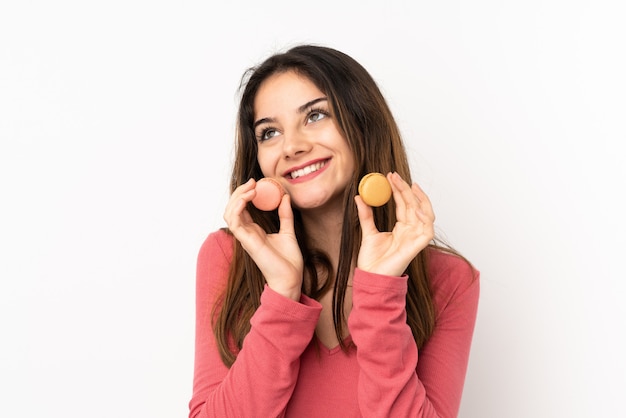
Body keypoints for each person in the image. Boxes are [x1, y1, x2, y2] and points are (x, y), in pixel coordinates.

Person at [188, 44, 479, 418]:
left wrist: (379, 295)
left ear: (363, 123)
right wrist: (281, 295)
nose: (292, 146)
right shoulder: (228, 256)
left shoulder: (451, 280)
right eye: (269, 132)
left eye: (314, 116)